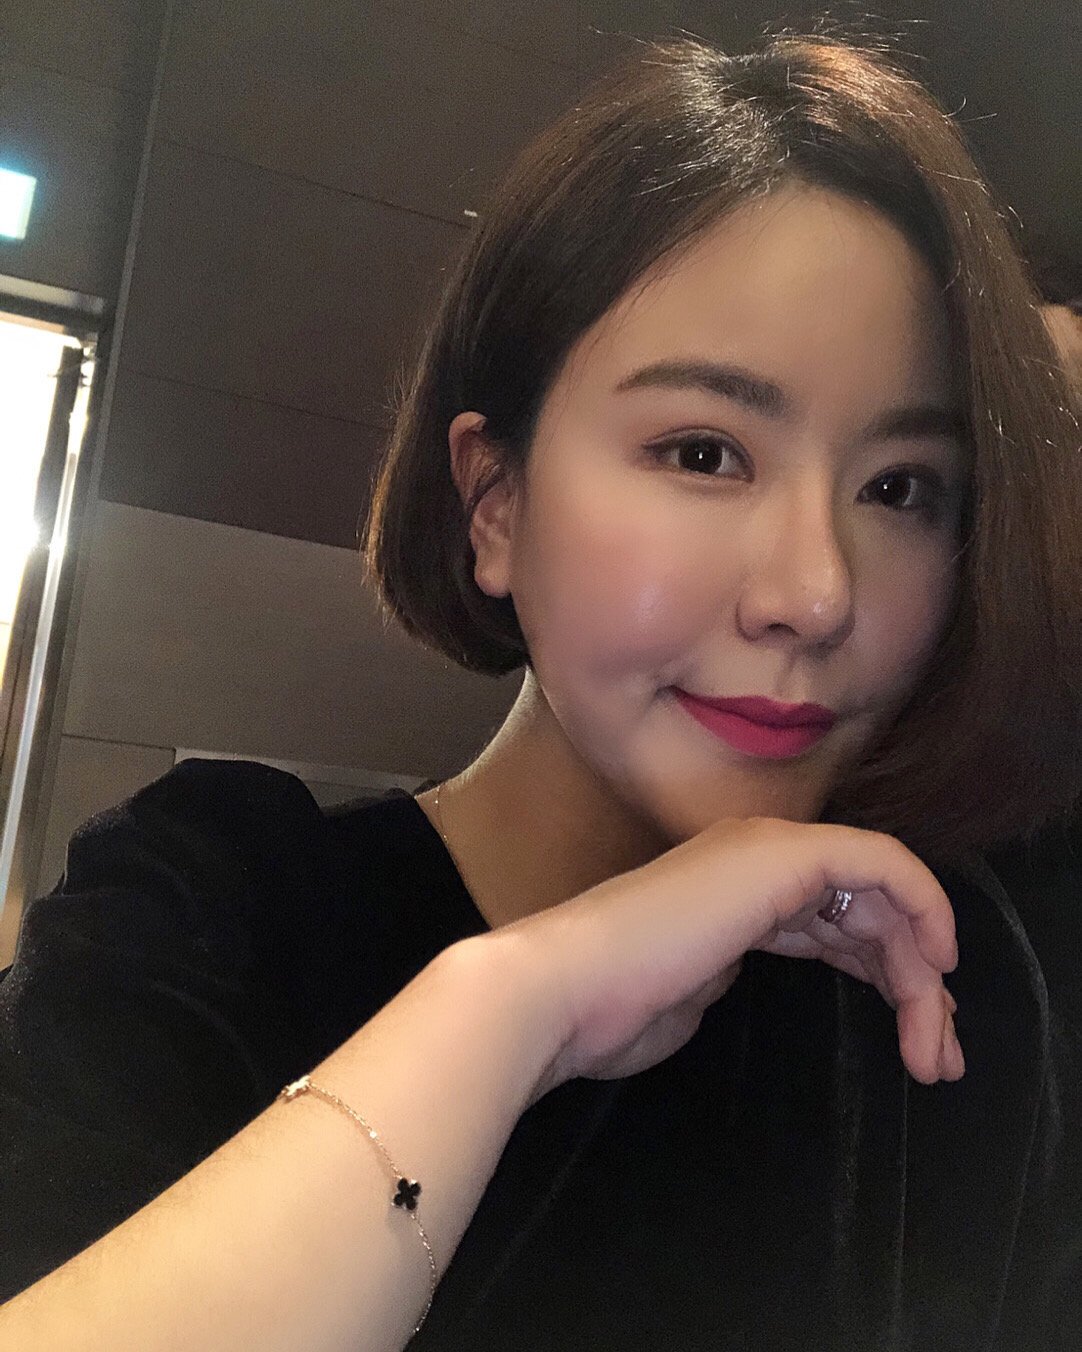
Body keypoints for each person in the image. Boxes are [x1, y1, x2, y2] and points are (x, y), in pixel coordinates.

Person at [1, 29, 1081, 1352]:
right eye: (704, 453)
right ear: (496, 503)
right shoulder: (212, 911)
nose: (816, 592)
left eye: (901, 488)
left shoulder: (945, 993)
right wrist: (521, 1004)